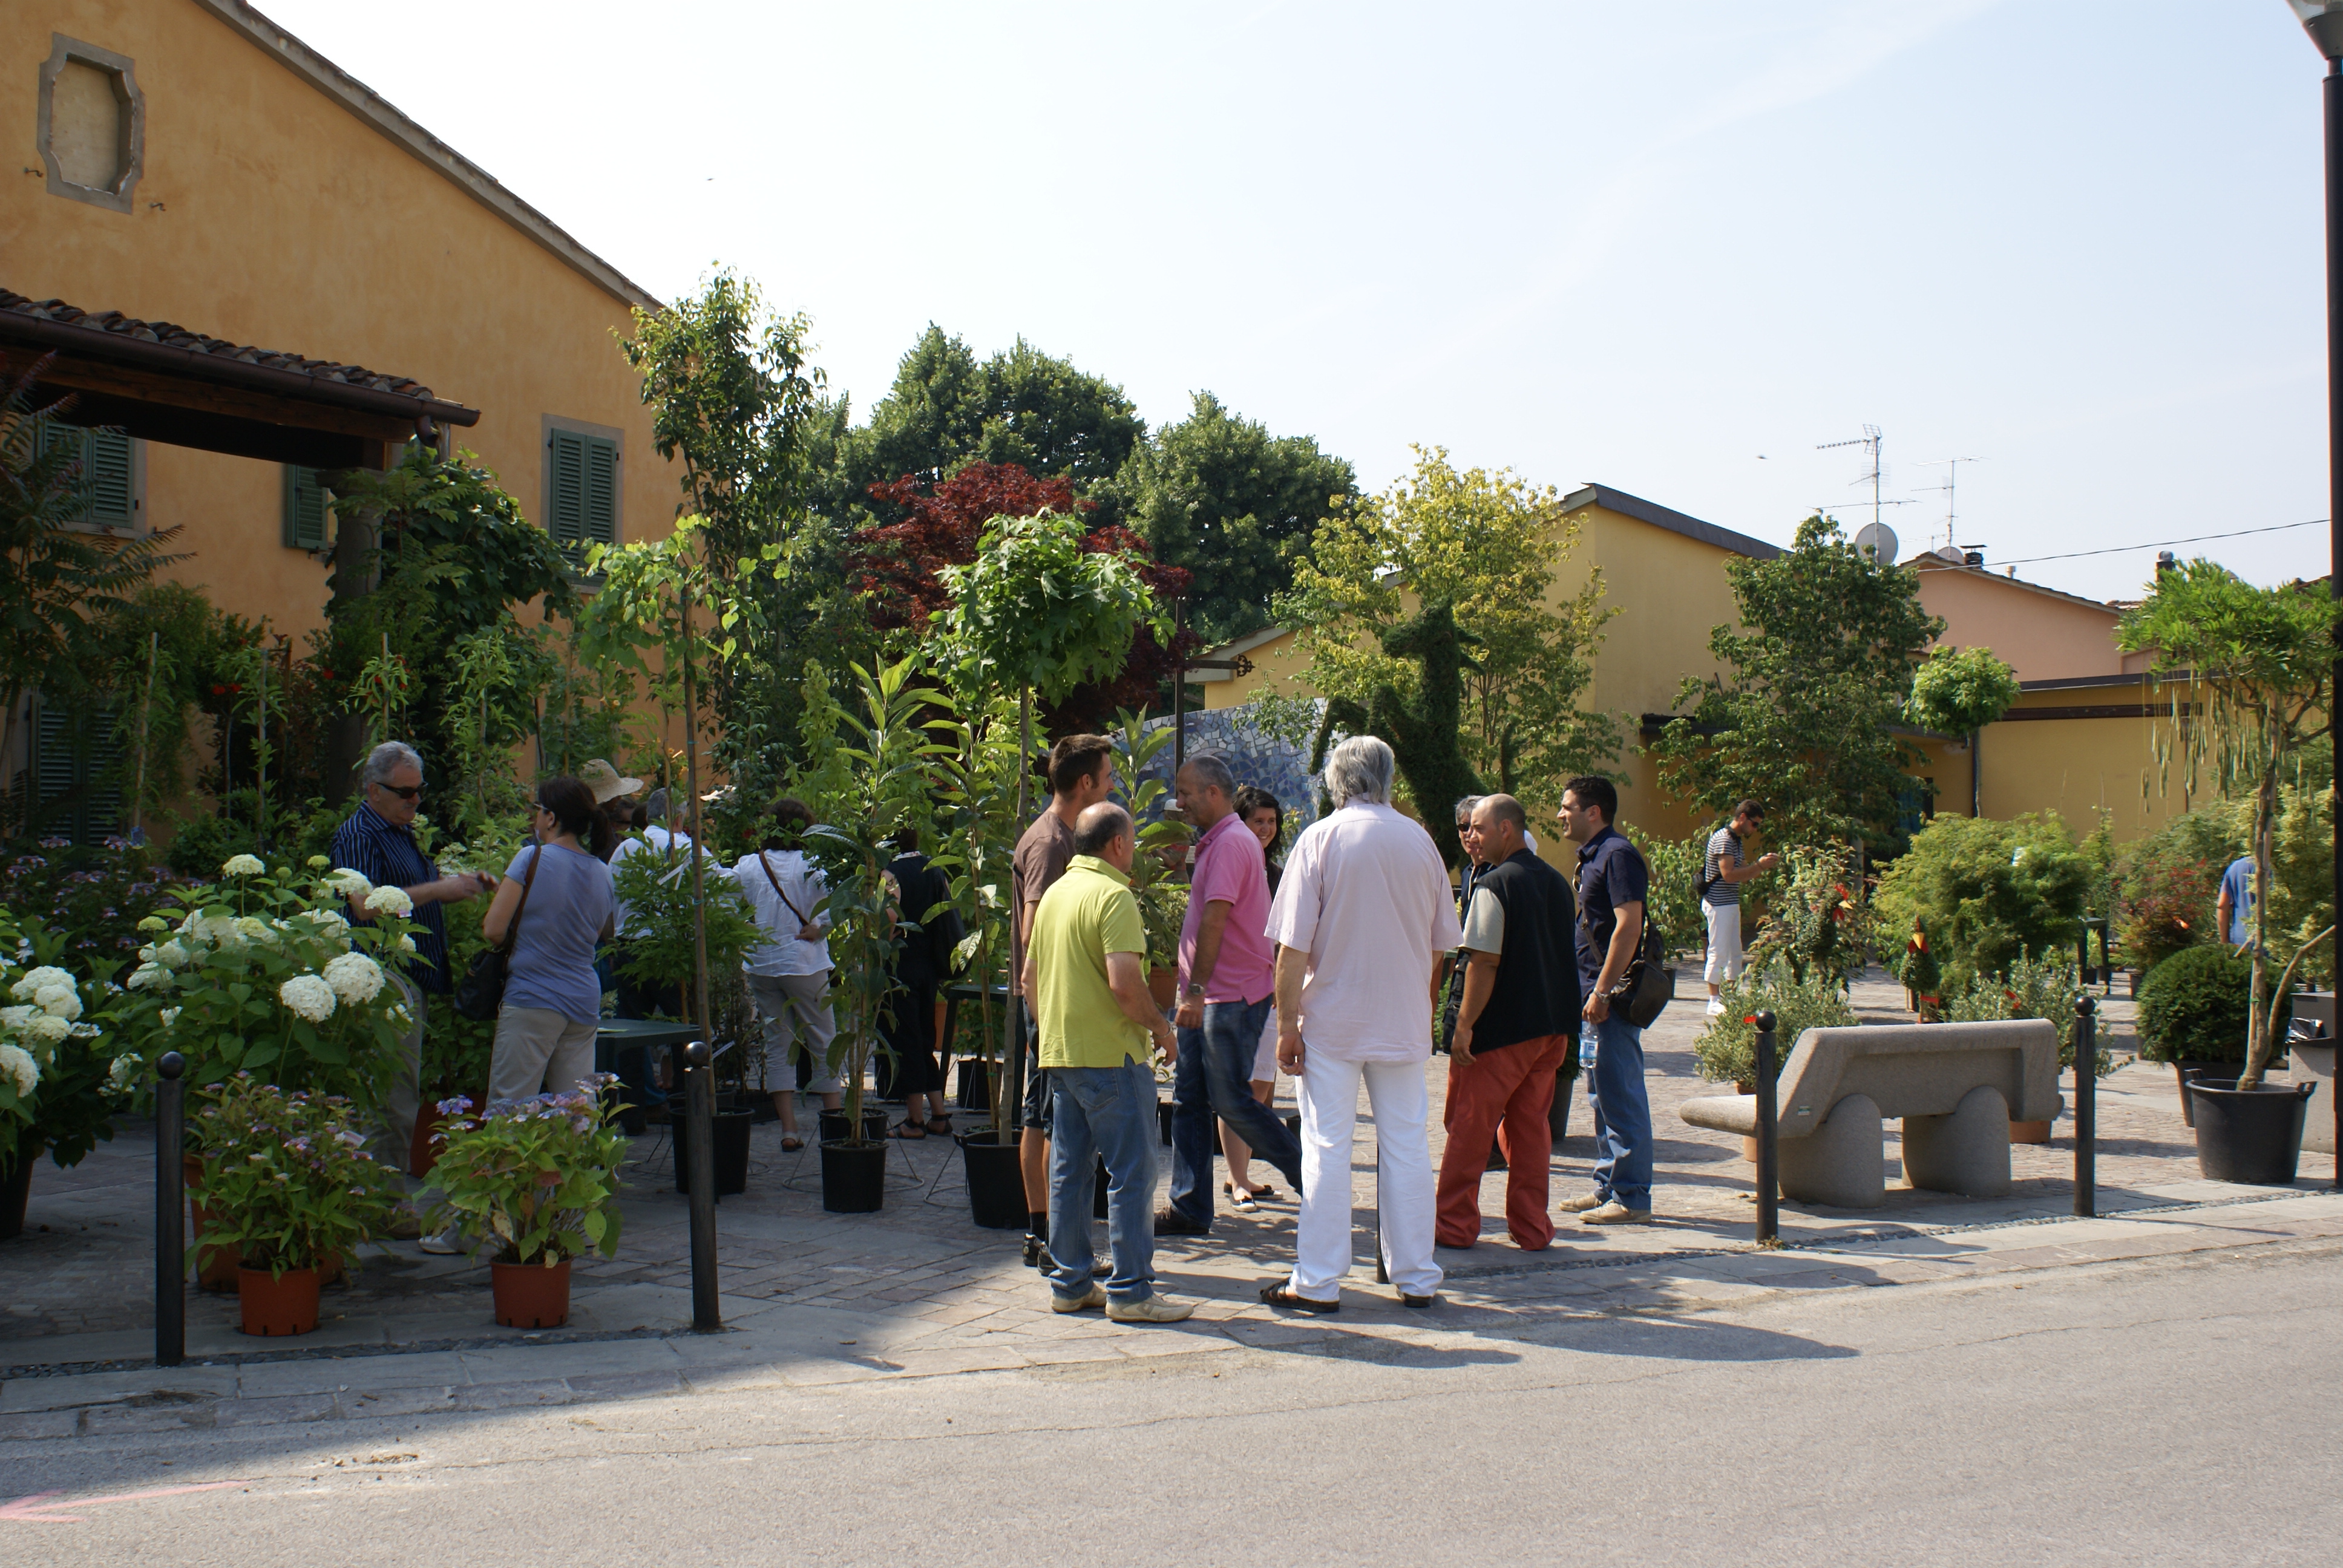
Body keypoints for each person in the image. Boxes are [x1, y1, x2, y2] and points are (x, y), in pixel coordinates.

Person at [1259, 736, 1462, 1313]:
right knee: (1406, 1145)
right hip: (1401, 1018)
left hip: (1334, 1019)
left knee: (1326, 1146)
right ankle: (1416, 1274)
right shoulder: (1420, 841)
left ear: (1337, 780)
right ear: (1387, 777)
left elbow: (1292, 947)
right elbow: (1440, 946)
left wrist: (1287, 1024)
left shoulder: (1321, 838)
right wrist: (1420, 1005)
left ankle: (1318, 1279)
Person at [421, 776, 618, 1253]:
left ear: (550, 817)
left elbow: (493, 930)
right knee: (576, 1113)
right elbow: (606, 933)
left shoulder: (531, 859)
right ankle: (571, 1222)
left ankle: (478, 1227)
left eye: (537, 809)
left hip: (533, 997)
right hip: (582, 1001)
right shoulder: (602, 871)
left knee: (509, 1112)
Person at [1021, 802, 1192, 1323]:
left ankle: (1070, 1283)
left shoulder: (1055, 895)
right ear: (1118, 843)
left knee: (1070, 1173)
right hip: (1113, 1058)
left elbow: (1029, 980)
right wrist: (1162, 1029)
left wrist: (1053, 1033)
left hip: (1061, 1057)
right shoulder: (1113, 896)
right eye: (1133, 841)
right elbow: (1125, 985)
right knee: (1133, 1174)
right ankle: (1132, 1291)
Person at [329, 741, 497, 1181]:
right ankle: (378, 1200)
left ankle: (382, 1196)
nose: (415, 800)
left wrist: (460, 885)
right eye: (405, 792)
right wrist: (439, 889)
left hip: (407, 977)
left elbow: (410, 893)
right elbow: (365, 905)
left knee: (399, 1093)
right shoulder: (359, 835)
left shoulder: (398, 831)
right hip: (383, 979)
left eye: (419, 790)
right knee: (389, 1097)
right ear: (374, 791)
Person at [1160, 754, 1302, 1235]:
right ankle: (1189, 1207)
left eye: (1185, 793)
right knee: (1190, 1100)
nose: (1179, 802)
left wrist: (1195, 993)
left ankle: (1313, 1181)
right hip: (1215, 997)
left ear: (1213, 793)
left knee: (1232, 1102)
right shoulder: (1222, 842)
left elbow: (1216, 920)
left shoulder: (1230, 843)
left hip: (1227, 998)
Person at [1435, 795, 1581, 1251]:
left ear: (1506, 829)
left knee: (1469, 1128)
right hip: (1551, 1027)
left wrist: (1464, 1025)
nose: (1471, 837)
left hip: (1501, 1030)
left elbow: (1483, 962)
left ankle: (1454, 1225)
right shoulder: (1557, 882)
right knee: (1530, 1129)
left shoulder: (1493, 884)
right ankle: (1532, 1227)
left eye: (1478, 828)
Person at [1011, 734, 1117, 1264]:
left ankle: (1045, 1236)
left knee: (1042, 1116)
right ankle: (1052, 1237)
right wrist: (1043, 1018)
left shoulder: (1060, 835)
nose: (1113, 786)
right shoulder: (1053, 843)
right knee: (1051, 1119)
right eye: (1108, 777)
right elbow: (1033, 933)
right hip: (1049, 1008)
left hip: (1049, 1006)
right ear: (1086, 783)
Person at [1555, 775, 1653, 1225]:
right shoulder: (1595, 856)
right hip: (1593, 997)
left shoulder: (1616, 855)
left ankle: (1632, 1196)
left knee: (1621, 1094)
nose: (1561, 815)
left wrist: (1602, 991)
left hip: (1607, 999)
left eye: (1568, 806)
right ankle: (1609, 1186)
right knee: (1602, 1096)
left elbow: (1628, 927)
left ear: (1593, 812)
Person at [732, 799, 842, 1152]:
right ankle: (834, 1126)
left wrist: (744, 930)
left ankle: (789, 1130)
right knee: (824, 1040)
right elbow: (840, 902)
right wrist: (820, 928)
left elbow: (724, 899)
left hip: (762, 964)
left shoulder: (750, 865)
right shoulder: (811, 864)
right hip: (804, 962)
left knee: (777, 1044)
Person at [1223, 785, 1288, 1205]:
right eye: (1257, 821)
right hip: (1240, 991)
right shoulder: (1232, 864)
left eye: (1271, 821)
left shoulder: (1279, 874)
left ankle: (1242, 1174)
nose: (1265, 829)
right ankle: (1238, 1178)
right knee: (1242, 1088)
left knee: (1263, 1086)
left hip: (1273, 990)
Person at [880, 828, 965, 1140]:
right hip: (931, 966)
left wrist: (879, 945)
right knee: (926, 1037)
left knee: (908, 1040)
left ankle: (915, 1120)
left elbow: (890, 918)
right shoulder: (935, 869)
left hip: (902, 965)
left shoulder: (891, 874)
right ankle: (939, 1115)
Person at [1701, 799, 1779, 1015]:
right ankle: (1714, 1000)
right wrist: (1759, 866)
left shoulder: (1736, 841)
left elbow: (1744, 872)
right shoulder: (1724, 839)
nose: (1756, 829)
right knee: (1718, 951)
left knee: (1735, 953)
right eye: (1755, 824)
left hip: (1730, 902)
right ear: (1743, 817)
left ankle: (1729, 997)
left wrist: (1760, 866)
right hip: (1718, 903)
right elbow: (1729, 875)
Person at [2218, 852, 2257, 946]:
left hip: (2240, 941)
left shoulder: (2235, 867)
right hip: (2273, 941)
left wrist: (2224, 941)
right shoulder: (2276, 868)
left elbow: (2222, 906)